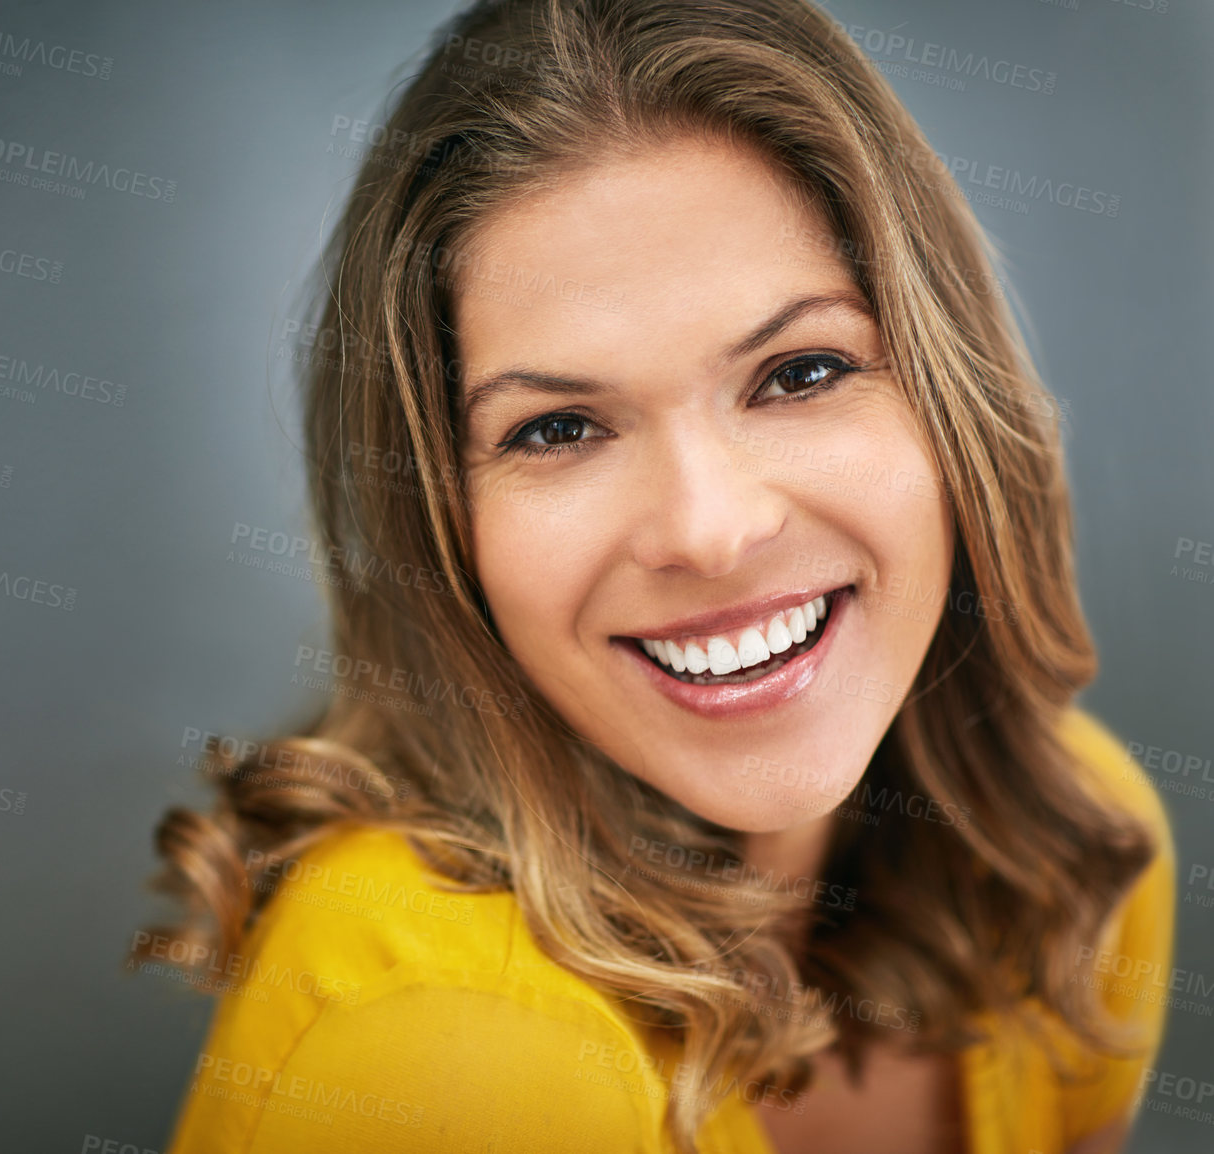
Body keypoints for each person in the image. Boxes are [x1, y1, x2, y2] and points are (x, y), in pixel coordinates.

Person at [134, 1, 1173, 1150]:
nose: (710, 529)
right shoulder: (457, 1058)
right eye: (558, 428)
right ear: (436, 523)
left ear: (950, 403)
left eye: (801, 370)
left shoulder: (1071, 851)